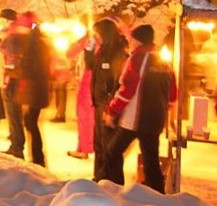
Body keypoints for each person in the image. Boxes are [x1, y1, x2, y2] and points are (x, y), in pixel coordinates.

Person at [103, 23, 177, 194]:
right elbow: (173, 92)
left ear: (138, 41)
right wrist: (167, 114)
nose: (129, 42)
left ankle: (114, 190)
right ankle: (156, 195)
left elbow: (127, 89)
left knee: (112, 152)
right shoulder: (164, 60)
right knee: (151, 159)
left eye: (132, 39)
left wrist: (112, 111)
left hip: (135, 119)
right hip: (155, 119)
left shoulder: (137, 59)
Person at [90, 17, 128, 181]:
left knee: (108, 145)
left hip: (107, 104)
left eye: (97, 33)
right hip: (99, 103)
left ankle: (110, 180)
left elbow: (116, 79)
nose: (95, 37)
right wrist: (88, 48)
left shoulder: (117, 52)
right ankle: (99, 176)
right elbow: (90, 65)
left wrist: (109, 104)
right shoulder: (102, 50)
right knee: (99, 143)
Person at [18, 14, 53, 166]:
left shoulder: (32, 46)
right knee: (31, 121)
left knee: (31, 122)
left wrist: (17, 70)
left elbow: (29, 67)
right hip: (40, 87)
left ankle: (38, 158)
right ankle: (37, 157)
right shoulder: (42, 44)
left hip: (35, 88)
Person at [0, 10, 27, 159]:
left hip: (11, 81)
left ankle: (17, 147)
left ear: (7, 20)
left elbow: (11, 61)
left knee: (14, 115)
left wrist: (7, 79)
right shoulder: (13, 35)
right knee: (14, 115)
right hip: (12, 80)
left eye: (1, 19)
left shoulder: (12, 37)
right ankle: (16, 144)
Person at [66, 28, 96, 159]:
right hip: (97, 80)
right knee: (92, 116)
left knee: (85, 115)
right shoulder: (110, 40)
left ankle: (84, 149)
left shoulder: (90, 40)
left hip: (88, 78)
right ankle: (88, 147)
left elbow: (70, 52)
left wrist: (82, 40)